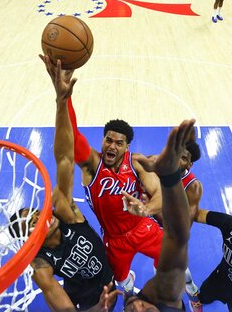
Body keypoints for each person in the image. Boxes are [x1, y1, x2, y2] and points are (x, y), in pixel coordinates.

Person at [39, 55, 201, 311]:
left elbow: (158, 193)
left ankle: (192, 290)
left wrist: (146, 209)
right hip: (113, 239)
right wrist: (64, 97)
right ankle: (129, 290)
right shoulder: (92, 165)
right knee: (122, 281)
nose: (112, 146)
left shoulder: (135, 163)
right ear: (103, 141)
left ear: (127, 146)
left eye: (119, 142)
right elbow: (72, 137)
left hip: (142, 228)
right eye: (108, 140)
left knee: (175, 261)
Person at [8, 57, 121, 311]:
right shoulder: (40, 265)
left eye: (36, 212)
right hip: (89, 301)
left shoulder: (63, 210)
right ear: (29, 239)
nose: (40, 216)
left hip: (108, 273)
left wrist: (61, 101)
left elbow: (65, 157)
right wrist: (99, 308)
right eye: (32, 222)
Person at [120, 118, 198, 312]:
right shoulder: (157, 162)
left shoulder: (193, 187)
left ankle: (192, 292)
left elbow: (183, 228)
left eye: (184, 157)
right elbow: (134, 161)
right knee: (166, 277)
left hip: (168, 231)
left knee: (182, 276)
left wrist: (152, 210)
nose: (179, 160)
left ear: (190, 164)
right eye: (176, 154)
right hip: (154, 228)